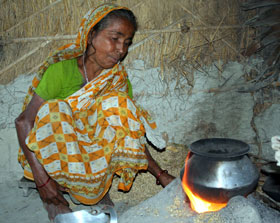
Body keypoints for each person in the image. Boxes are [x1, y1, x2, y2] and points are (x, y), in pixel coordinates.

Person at [15, 4, 175, 221]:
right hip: (57, 157)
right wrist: (45, 187)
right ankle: (57, 189)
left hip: (92, 159)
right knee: (55, 110)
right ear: (91, 36)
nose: (121, 49)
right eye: (115, 38)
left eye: (127, 43)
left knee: (121, 105)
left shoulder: (117, 80)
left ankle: (95, 188)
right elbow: (24, 123)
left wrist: (160, 174)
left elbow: (129, 131)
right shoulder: (61, 71)